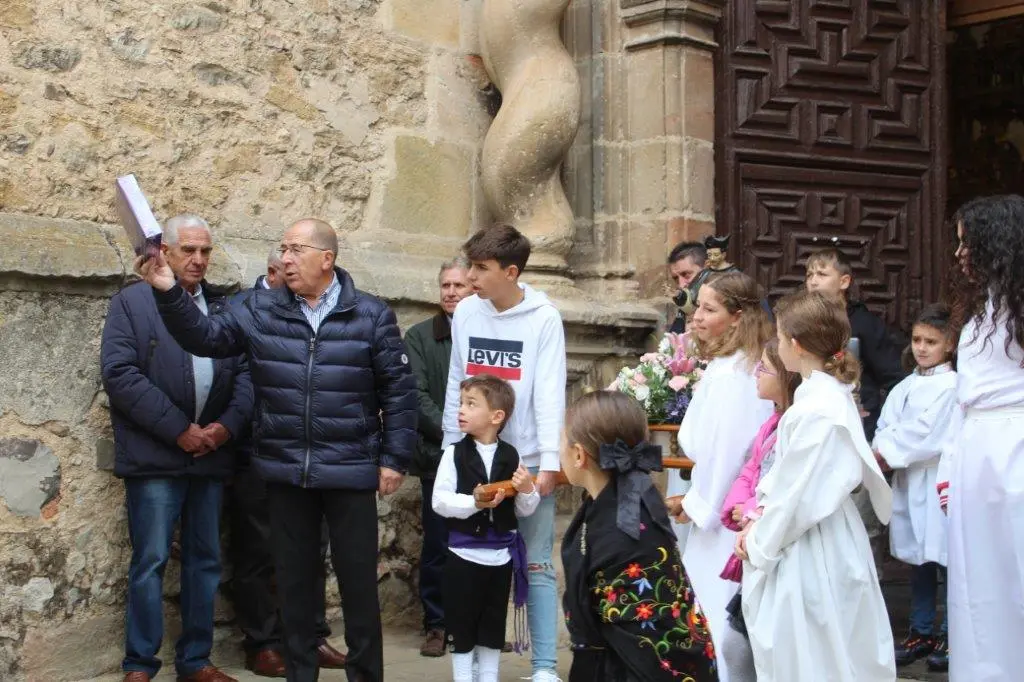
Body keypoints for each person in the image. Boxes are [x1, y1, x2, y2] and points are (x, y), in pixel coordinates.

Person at [135, 218, 418, 682]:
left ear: (326, 259)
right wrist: (167, 290)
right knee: (293, 587)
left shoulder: (370, 314)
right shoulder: (258, 309)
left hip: (349, 469)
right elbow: (204, 337)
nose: (285, 258)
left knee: (358, 588)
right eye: (283, 249)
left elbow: (399, 392)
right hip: (285, 470)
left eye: (296, 249)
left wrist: (394, 459)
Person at [102, 214, 254, 682]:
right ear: (164, 252)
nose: (199, 259)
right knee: (149, 561)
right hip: (156, 456)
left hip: (211, 454)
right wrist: (178, 429)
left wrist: (224, 428)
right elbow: (121, 376)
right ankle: (139, 664)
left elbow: (246, 375)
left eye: (206, 251)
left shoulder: (224, 308)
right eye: (189, 250)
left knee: (205, 560)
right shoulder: (132, 303)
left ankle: (196, 661)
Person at [735, 289, 895, 682]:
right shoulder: (820, 397)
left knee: (816, 650)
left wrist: (758, 541)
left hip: (813, 543)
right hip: (814, 531)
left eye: (779, 336)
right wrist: (759, 516)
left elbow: (799, 496)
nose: (776, 344)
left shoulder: (818, 408)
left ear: (797, 345)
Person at [441, 224, 567, 682]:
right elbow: (458, 378)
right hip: (473, 453)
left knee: (536, 561)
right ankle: (474, 661)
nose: (470, 277)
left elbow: (550, 392)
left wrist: (548, 462)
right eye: (470, 265)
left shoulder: (543, 318)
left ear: (511, 272)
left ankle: (545, 667)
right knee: (470, 558)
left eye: (481, 268)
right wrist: (450, 446)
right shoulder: (467, 312)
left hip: (524, 459)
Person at [226, 247, 346, 677]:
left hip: (308, 452)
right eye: (289, 272)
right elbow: (239, 378)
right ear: (273, 272)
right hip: (258, 448)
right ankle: (263, 643)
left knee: (313, 547)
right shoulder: (243, 309)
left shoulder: (312, 306)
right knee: (257, 549)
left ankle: (311, 636)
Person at [560, 390, 719, 682]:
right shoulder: (620, 508)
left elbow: (642, 643)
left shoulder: (623, 531)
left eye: (562, 442)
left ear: (579, 455)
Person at [665, 271, 774, 682]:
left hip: (726, 516)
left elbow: (728, 455)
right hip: (720, 506)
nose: (696, 317)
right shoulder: (729, 366)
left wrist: (696, 504)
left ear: (738, 317)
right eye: (698, 307)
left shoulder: (735, 376)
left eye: (709, 309)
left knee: (713, 609)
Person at [944, 195, 1024, 682]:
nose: (960, 254)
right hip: (975, 453)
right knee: (978, 581)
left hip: (1014, 452)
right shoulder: (981, 311)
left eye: (967, 243)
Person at [432, 374, 540, 682]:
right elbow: (439, 501)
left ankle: (489, 677)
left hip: (500, 557)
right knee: (462, 622)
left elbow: (523, 509)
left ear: (496, 416)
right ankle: (464, 677)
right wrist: (474, 502)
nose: (461, 410)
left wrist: (528, 489)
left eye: (471, 404)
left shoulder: (511, 456)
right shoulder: (454, 454)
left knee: (493, 623)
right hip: (463, 554)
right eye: (461, 403)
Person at [872, 303, 958, 672]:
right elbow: (886, 426)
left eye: (931, 342)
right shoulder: (905, 386)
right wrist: (884, 447)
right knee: (919, 560)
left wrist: (888, 450)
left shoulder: (954, 387)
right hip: (910, 479)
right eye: (917, 340)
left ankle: (952, 634)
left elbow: (929, 433)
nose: (921, 348)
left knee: (948, 560)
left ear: (950, 344)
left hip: (939, 477)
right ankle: (921, 630)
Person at [404, 256, 473, 657]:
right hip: (439, 455)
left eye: (458, 285)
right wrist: (455, 437)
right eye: (445, 285)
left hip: (484, 456)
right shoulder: (420, 337)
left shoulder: (484, 332)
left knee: (481, 542)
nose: (450, 292)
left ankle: (473, 623)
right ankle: (436, 623)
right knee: (438, 545)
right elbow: (417, 396)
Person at [717, 338, 802, 635]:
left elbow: (785, 482)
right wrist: (737, 505)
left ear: (786, 377)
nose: (756, 373)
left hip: (773, 537)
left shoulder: (795, 425)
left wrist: (751, 510)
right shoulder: (771, 423)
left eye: (763, 368)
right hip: (753, 525)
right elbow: (751, 469)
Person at [804, 246, 905, 439]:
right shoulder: (804, 323)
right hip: (814, 420)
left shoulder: (864, 324)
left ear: (844, 281)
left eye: (822, 274)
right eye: (809, 275)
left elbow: (894, 377)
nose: (813, 281)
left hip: (858, 424)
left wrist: (888, 427)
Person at [667, 241, 707, 333]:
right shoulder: (684, 311)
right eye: (676, 279)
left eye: (686, 275)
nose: (681, 285)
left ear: (706, 269)